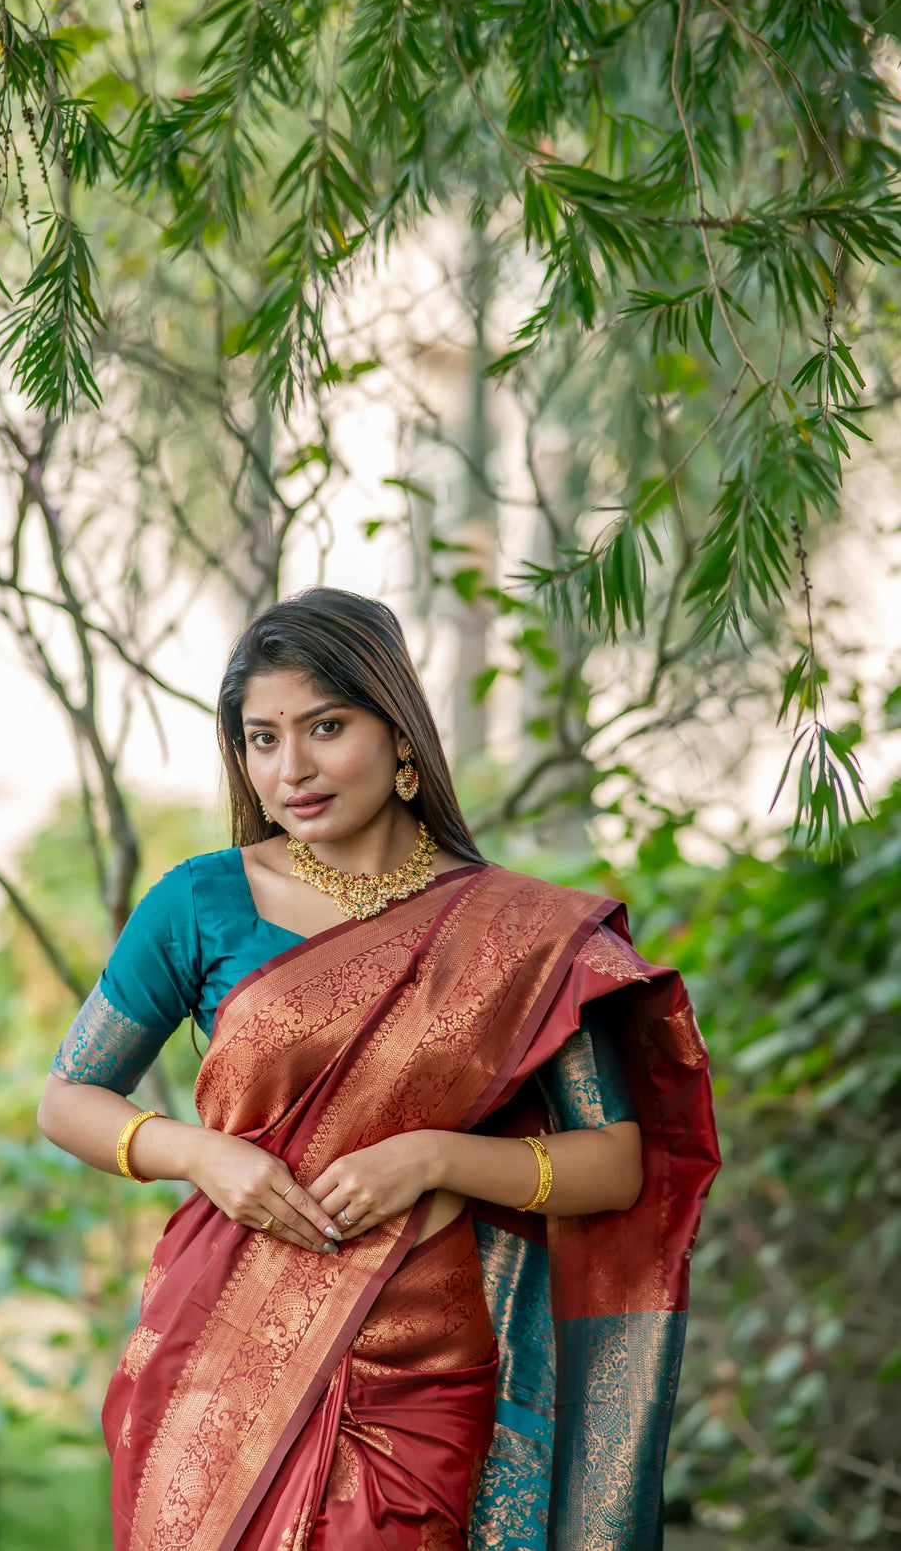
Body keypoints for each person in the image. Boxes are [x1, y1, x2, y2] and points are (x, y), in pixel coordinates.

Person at [38, 586, 721, 1551]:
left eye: (326, 727)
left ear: (399, 733)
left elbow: (616, 1164)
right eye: (261, 738)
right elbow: (67, 1096)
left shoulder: (523, 938)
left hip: (420, 1364)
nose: (292, 768)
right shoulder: (202, 902)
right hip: (217, 1344)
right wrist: (199, 1154)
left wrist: (434, 1156)